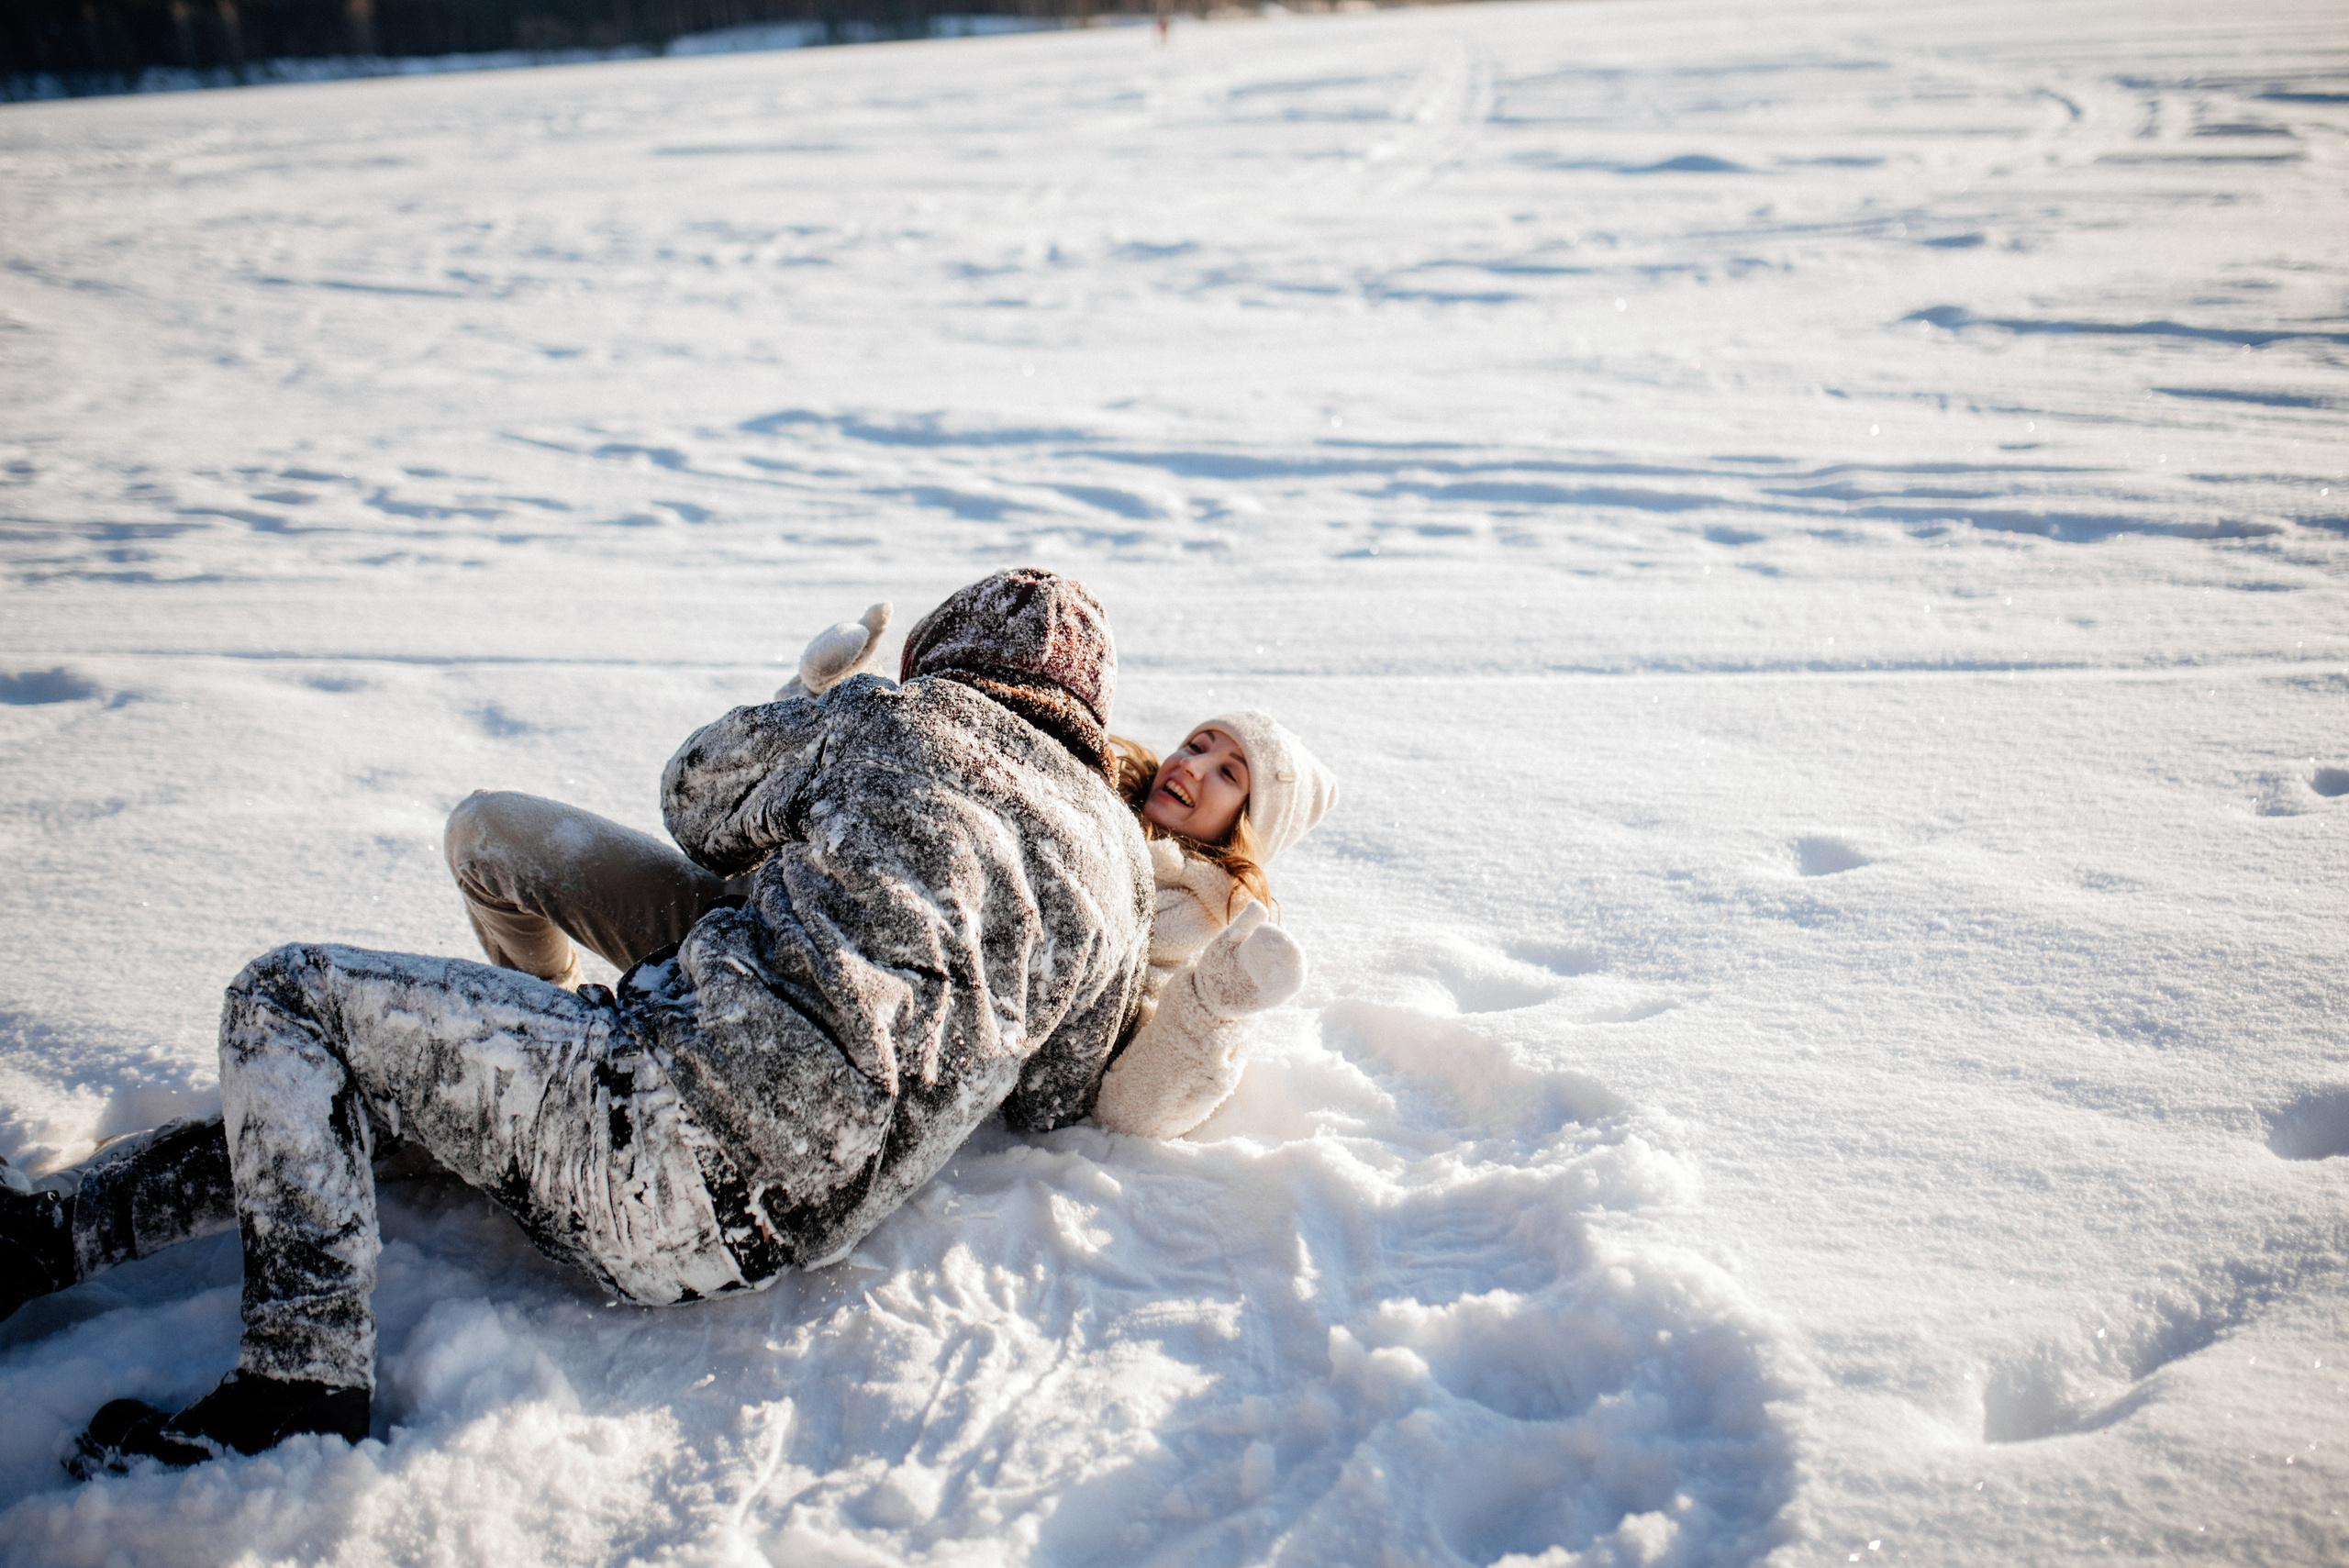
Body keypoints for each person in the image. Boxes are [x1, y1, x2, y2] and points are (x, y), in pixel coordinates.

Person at [1, 568, 1154, 1475]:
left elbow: (693, 796)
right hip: (786, 1224)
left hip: (649, 1130)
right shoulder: (1119, 867)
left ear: (942, 654)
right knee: (391, 1083)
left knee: (289, 997)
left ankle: (299, 1383)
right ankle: (43, 1237)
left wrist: (812, 709)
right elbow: (1056, 1095)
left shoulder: (898, 721)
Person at [1090, 713, 1339, 1138]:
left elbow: (1127, 1110)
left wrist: (1210, 1006)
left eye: (1228, 772)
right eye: (1196, 745)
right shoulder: (1089, 796)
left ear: (1245, 823)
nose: (1192, 765)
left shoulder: (1200, 923)